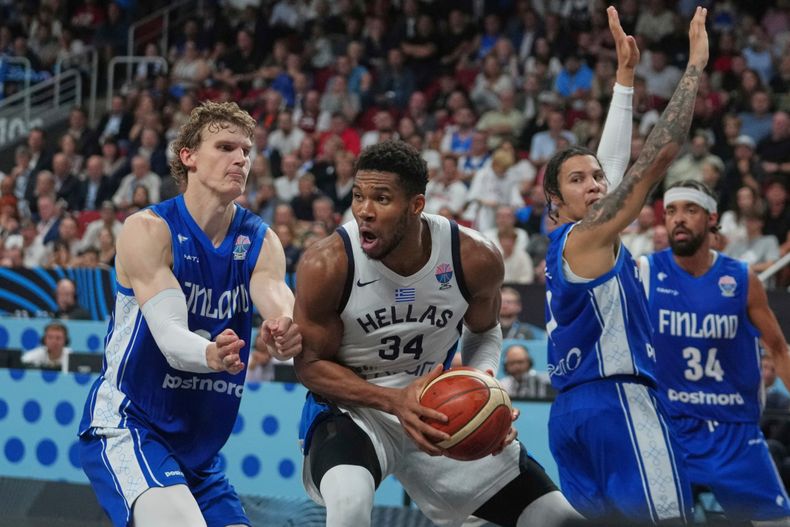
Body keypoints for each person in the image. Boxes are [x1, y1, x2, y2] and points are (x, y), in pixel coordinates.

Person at [293, 140, 581, 527]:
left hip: (437, 406)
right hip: (353, 409)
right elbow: (311, 366)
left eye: (381, 198)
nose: (364, 211)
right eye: (359, 196)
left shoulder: (474, 256)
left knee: (555, 517)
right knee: (348, 506)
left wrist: (486, 392)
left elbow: (484, 332)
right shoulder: (327, 263)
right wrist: (393, 401)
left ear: (415, 205)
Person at [78, 101, 302, 527]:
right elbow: (169, 334)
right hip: (131, 423)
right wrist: (211, 355)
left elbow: (275, 297)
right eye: (225, 147)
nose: (241, 158)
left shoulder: (260, 239)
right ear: (189, 156)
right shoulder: (148, 229)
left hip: (199, 455)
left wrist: (283, 329)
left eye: (247, 151)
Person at [542, 7, 708, 523]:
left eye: (595, 177)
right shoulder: (587, 237)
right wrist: (694, 67)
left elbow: (609, 172)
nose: (594, 184)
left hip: (570, 415)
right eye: (577, 180)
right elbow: (656, 158)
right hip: (619, 402)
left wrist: (625, 80)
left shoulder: (572, 243)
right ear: (554, 201)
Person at [641, 179, 790, 523]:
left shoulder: (741, 278)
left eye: (690, 210)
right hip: (669, 430)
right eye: (672, 211)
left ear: (711, 218)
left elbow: (779, 349)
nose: (678, 218)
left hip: (733, 430)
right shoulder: (646, 271)